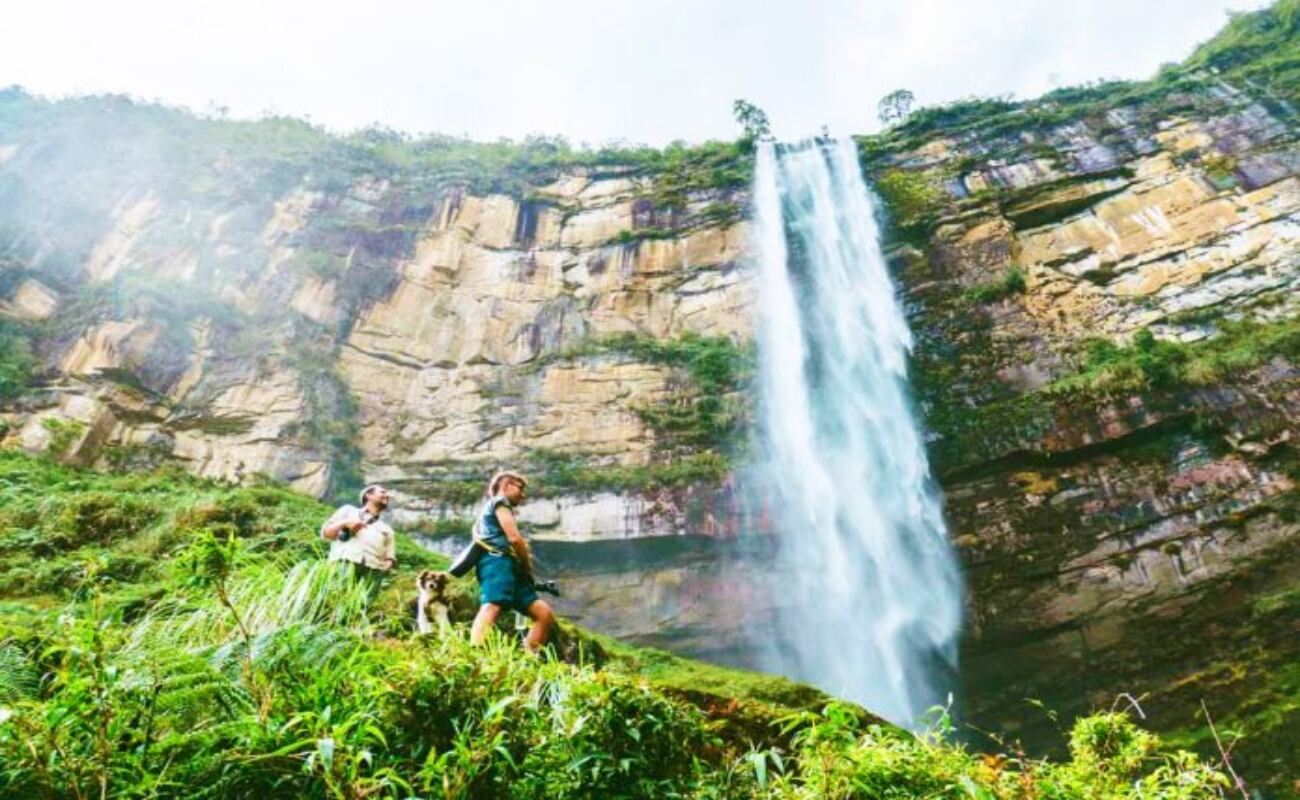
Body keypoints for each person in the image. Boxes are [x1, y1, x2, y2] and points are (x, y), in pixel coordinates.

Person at [469, 471, 554, 653]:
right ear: (506, 484)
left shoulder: (493, 508)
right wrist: (527, 564)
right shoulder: (499, 502)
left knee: (543, 614)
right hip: (497, 562)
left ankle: (529, 658)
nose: (523, 495)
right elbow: (514, 538)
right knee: (493, 604)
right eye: (520, 488)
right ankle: (474, 654)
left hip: (511, 568)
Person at [319, 484, 397, 599]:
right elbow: (326, 534)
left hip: (373, 571)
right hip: (344, 563)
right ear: (369, 495)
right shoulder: (348, 511)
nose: (387, 496)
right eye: (382, 492)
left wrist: (387, 564)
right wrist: (344, 523)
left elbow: (390, 556)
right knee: (335, 599)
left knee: (365, 607)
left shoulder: (388, 530)